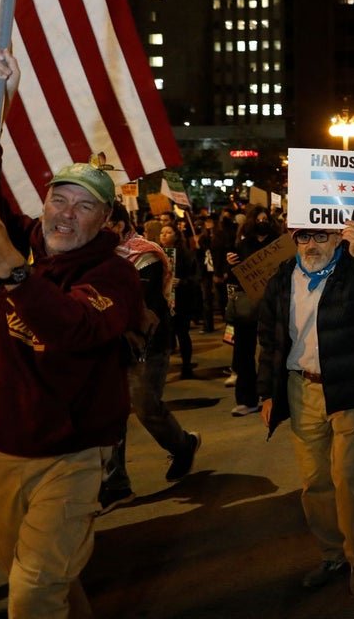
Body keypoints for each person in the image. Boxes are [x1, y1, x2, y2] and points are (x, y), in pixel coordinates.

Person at [0, 41, 146, 617]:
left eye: (84, 206)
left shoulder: (115, 276)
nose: (65, 214)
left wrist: (11, 270)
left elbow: (75, 328)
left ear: (106, 220)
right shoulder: (22, 239)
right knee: (31, 573)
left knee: (34, 590)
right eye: (58, 198)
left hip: (69, 456)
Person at [256, 221, 354, 598]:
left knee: (348, 477)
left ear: (337, 237)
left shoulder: (353, 269)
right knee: (314, 481)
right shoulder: (282, 278)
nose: (312, 244)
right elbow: (269, 339)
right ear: (294, 239)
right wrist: (267, 393)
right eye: (304, 236)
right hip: (301, 389)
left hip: (350, 388)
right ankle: (332, 554)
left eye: (321, 235)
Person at [99, 204, 203, 512]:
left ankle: (183, 445)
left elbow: (144, 304)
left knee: (145, 405)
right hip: (109, 343)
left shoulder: (145, 255)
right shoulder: (94, 256)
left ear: (118, 225)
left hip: (149, 343)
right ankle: (116, 484)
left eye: (103, 222)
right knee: (111, 412)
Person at [225, 205, 279, 415]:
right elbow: (235, 277)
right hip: (248, 307)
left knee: (272, 351)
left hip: (273, 305)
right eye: (258, 219)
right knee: (244, 353)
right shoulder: (243, 245)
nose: (262, 222)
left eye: (265, 219)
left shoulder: (278, 243)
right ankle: (247, 399)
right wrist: (230, 265)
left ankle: (274, 396)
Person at [161, 223, 201, 378]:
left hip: (182, 300)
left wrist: (183, 282)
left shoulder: (186, 254)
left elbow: (196, 277)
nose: (164, 235)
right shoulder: (156, 253)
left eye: (168, 232)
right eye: (162, 232)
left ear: (176, 235)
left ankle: (186, 367)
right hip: (163, 301)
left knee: (182, 333)